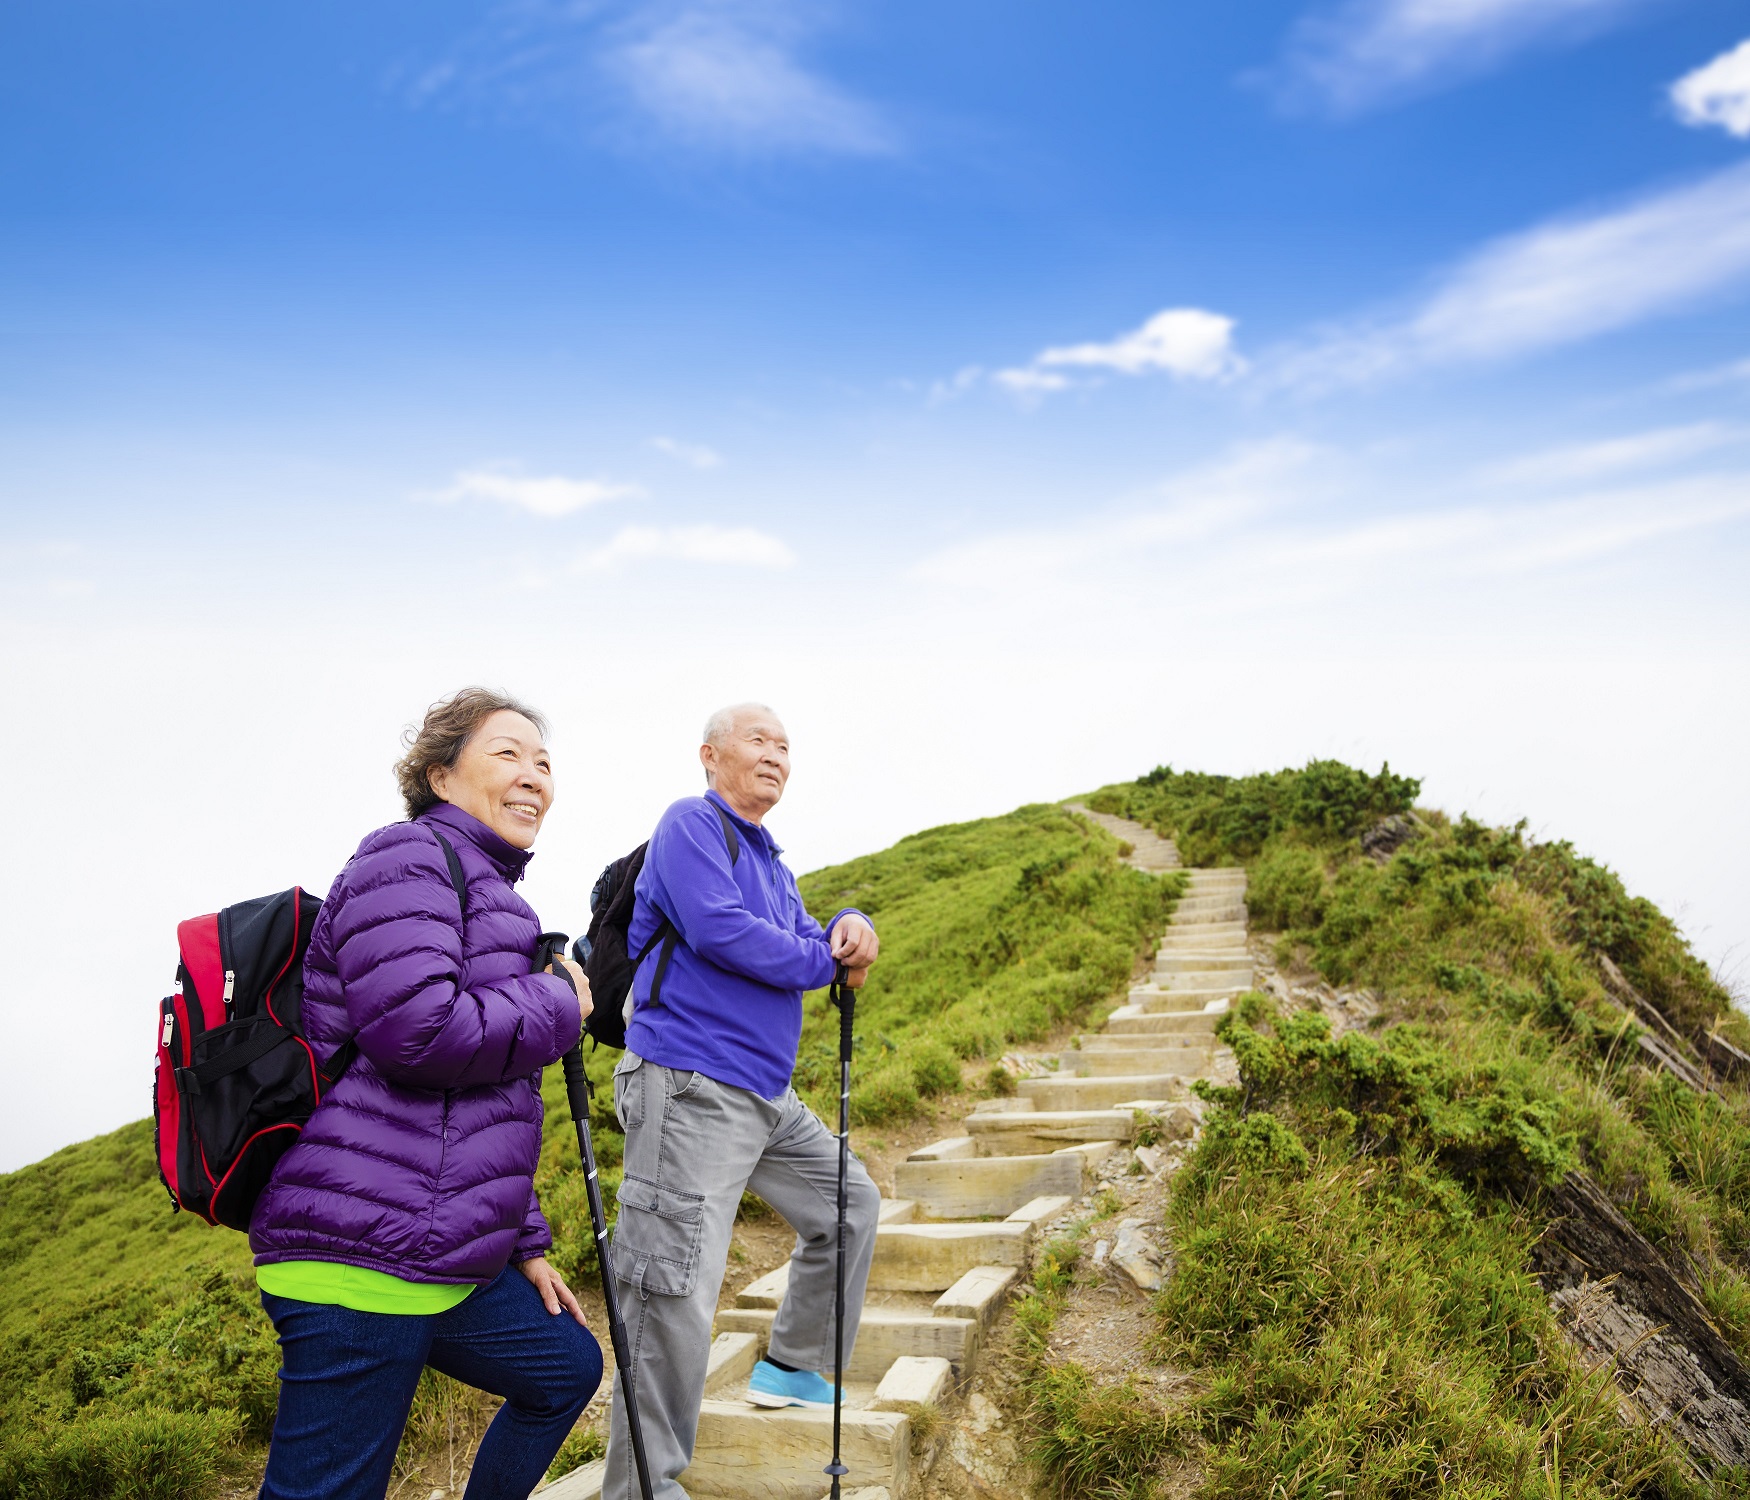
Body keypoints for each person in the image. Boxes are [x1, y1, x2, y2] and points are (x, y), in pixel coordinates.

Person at [249, 688, 603, 1500]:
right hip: (361, 1249)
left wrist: (525, 1243)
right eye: (508, 753)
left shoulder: (498, 898)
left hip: (437, 1247)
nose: (534, 776)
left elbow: (483, 1110)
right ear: (440, 777)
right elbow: (417, 1032)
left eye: (544, 762)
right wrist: (561, 1003)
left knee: (564, 1369)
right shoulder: (404, 859)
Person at [602, 703, 881, 1500]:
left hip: (764, 1095)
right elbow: (720, 931)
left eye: (785, 746)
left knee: (850, 1204)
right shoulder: (690, 824)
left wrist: (850, 925)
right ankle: (643, 1490)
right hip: (690, 1086)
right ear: (710, 755)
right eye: (758, 740)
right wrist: (825, 961)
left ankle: (792, 1365)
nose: (776, 755)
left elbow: (807, 933)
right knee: (672, 1291)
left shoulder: (770, 858)